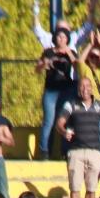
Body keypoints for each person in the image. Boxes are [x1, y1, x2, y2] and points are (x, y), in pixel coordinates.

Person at [57, 77, 100, 198]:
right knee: (75, 187)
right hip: (76, 151)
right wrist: (64, 132)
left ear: (92, 88)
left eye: (87, 86)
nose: (84, 89)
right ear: (78, 89)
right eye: (81, 86)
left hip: (94, 152)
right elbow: (59, 123)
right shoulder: (71, 104)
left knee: (91, 188)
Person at [77, 28, 100, 175]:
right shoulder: (85, 70)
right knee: (91, 139)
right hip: (90, 108)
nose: (95, 59)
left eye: (97, 57)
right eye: (92, 56)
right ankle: (89, 168)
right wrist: (90, 45)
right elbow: (80, 60)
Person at [35, 27, 77, 160]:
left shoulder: (71, 52)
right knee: (49, 120)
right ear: (54, 38)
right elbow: (37, 69)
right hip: (51, 89)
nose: (61, 39)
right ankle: (44, 150)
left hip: (67, 89)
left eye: (64, 37)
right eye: (59, 36)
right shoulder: (48, 52)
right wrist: (44, 64)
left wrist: (69, 53)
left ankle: (65, 151)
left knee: (65, 119)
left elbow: (77, 66)